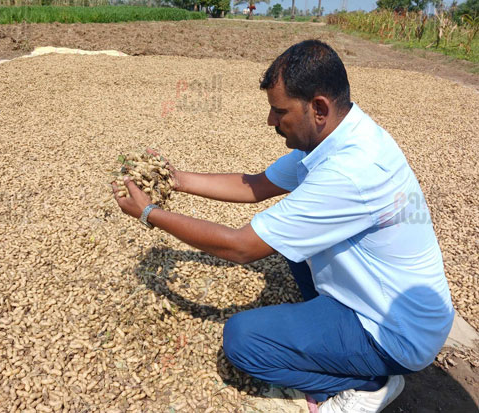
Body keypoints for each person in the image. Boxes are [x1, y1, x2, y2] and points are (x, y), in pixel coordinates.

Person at [112, 40, 455, 413]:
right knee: (293, 249)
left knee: (243, 341)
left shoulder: (351, 172)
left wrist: (151, 214)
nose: (271, 122)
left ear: (318, 108)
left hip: (394, 335)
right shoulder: (341, 135)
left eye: (279, 112)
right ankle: (336, 340)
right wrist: (174, 178)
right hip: (387, 300)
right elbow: (256, 186)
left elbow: (240, 247)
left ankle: (370, 383)